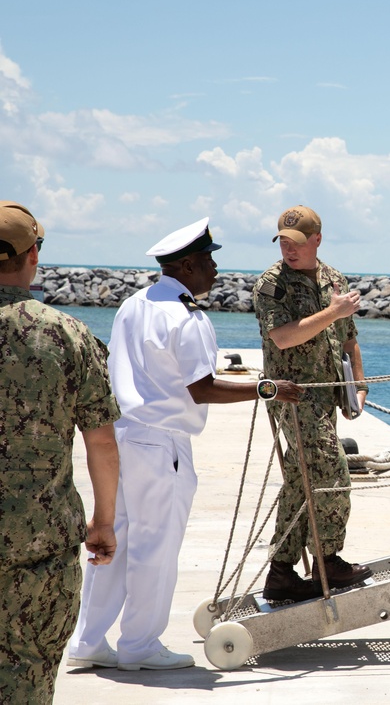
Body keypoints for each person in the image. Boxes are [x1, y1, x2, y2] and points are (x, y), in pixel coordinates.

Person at [67, 218, 303, 671]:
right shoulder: (186, 315)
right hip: (161, 445)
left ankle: (88, 640)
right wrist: (266, 388)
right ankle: (139, 645)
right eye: (210, 260)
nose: (215, 270)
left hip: (121, 439)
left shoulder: (134, 304)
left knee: (113, 543)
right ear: (188, 265)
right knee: (157, 546)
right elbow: (201, 388)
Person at [0, 201, 120, 704]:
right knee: (28, 678)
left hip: (40, 548)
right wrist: (103, 522)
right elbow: (101, 443)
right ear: (33, 256)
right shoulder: (66, 335)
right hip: (38, 548)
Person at [252, 205, 371, 602]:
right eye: (284, 242)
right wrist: (331, 312)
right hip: (291, 394)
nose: (290, 249)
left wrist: (358, 384)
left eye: (297, 243)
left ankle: (282, 571)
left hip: (327, 395)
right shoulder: (272, 284)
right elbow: (283, 337)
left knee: (302, 480)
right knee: (332, 473)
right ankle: (327, 561)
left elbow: (348, 336)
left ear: (317, 239)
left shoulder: (333, 277)